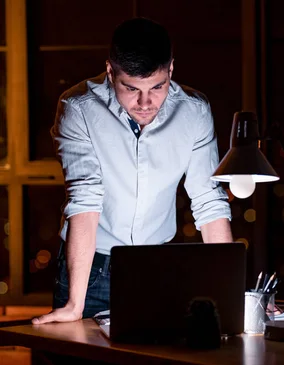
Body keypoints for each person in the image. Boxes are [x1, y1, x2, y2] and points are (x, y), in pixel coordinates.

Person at [32, 18, 232, 324]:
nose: (145, 103)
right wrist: (76, 303)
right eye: (130, 88)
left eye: (158, 87)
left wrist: (230, 291)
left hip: (157, 265)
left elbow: (209, 200)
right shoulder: (78, 108)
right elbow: (85, 198)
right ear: (111, 71)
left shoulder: (194, 111)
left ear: (171, 70)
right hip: (91, 268)